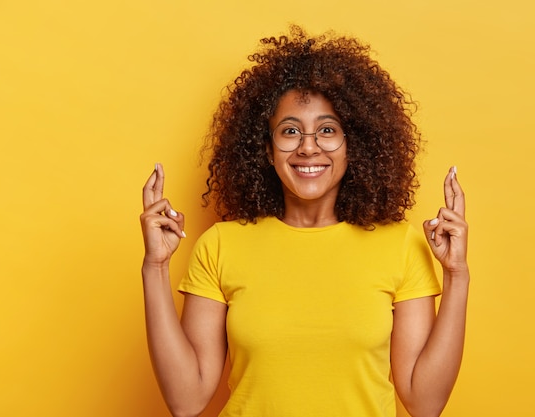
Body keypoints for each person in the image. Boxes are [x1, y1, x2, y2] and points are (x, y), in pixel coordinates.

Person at [140, 26, 469, 417]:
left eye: (327, 130)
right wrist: (155, 266)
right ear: (266, 148)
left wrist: (457, 275)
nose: (308, 146)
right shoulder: (220, 245)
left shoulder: (400, 245)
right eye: (290, 131)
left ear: (353, 144)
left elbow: (425, 402)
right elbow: (186, 400)